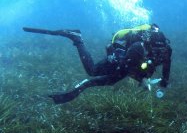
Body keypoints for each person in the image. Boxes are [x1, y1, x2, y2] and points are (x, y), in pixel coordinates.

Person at [23, 24, 172, 104]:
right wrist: (143, 79)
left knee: (100, 76)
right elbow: (126, 68)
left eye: (162, 50)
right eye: (156, 50)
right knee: (93, 73)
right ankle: (77, 38)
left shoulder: (166, 50)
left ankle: (77, 38)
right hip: (121, 59)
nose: (160, 53)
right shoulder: (138, 47)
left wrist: (164, 82)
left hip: (133, 62)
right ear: (150, 45)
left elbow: (167, 65)